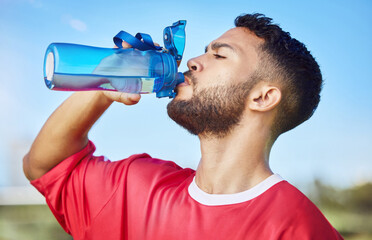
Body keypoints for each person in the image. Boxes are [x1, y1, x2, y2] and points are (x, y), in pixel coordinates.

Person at [23, 13, 344, 240]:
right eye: (204, 50)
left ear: (262, 97)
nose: (192, 61)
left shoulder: (298, 229)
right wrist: (105, 87)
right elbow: (46, 166)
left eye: (219, 55)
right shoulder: (134, 186)